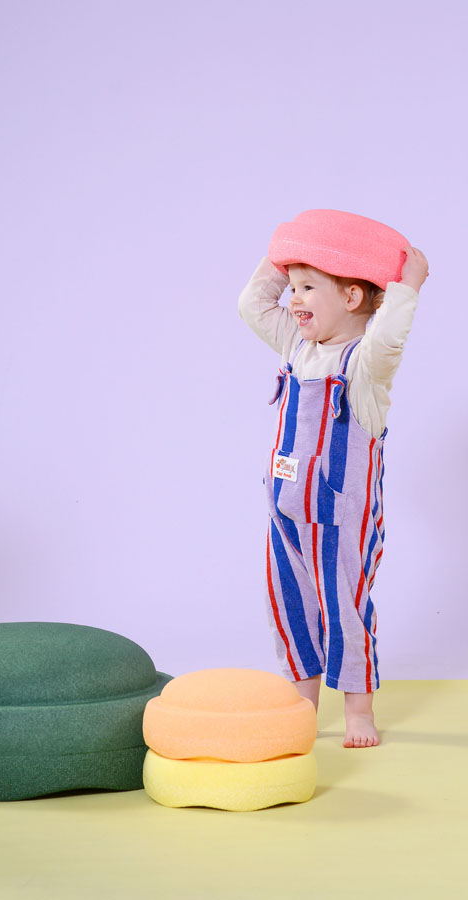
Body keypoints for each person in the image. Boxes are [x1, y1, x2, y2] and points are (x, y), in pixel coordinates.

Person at [237, 210, 429, 748]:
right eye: (291, 286)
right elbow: (253, 304)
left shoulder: (364, 367)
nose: (291, 298)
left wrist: (405, 290)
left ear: (350, 297)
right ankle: (302, 706)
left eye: (306, 288)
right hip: (285, 511)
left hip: (340, 520)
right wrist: (285, 256)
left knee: (345, 609)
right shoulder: (297, 346)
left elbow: (388, 339)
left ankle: (358, 712)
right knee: (290, 607)